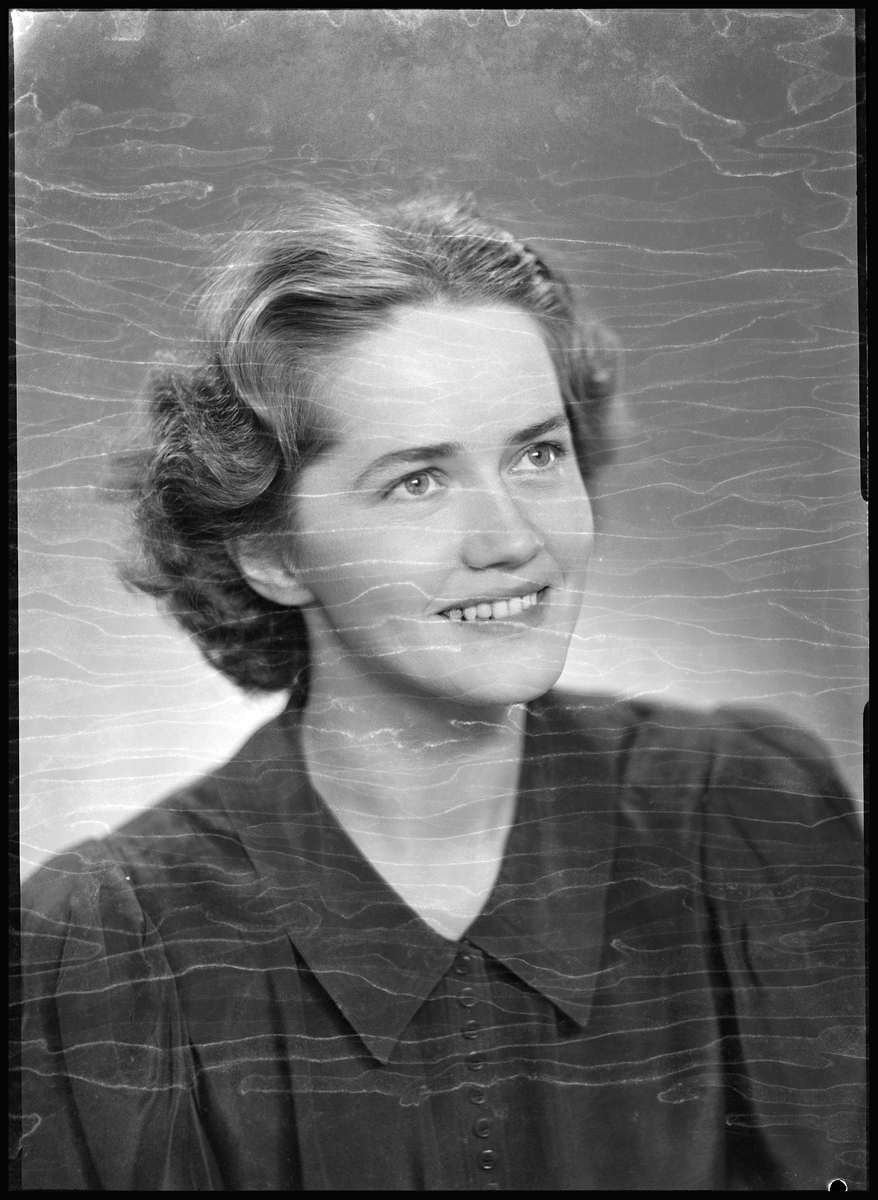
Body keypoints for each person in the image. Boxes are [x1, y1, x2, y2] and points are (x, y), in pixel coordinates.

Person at [16, 191, 865, 1191]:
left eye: (537, 454)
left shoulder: (745, 811)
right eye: (417, 480)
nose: (512, 540)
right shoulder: (110, 945)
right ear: (272, 553)